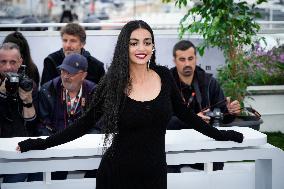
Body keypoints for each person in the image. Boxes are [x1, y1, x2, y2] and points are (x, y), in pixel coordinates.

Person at [17, 20, 243, 189]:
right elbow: (83, 124)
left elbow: (186, 114)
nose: (141, 48)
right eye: (134, 43)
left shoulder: (164, 76)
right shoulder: (112, 83)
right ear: (125, 46)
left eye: (146, 42)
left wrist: (222, 135)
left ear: (153, 46)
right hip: (117, 175)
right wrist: (40, 143)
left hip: (155, 175)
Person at [167, 40, 241, 171]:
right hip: (173, 146)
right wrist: (192, 120)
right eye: (182, 59)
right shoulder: (165, 84)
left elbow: (223, 117)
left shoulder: (209, 83)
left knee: (216, 170)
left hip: (205, 143)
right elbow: (162, 120)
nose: (187, 64)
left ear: (196, 58)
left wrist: (230, 112)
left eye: (190, 58)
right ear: (174, 61)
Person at [38, 53, 98, 180]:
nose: (65, 76)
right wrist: (58, 145)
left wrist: (81, 144)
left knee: (99, 171)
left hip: (85, 150)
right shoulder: (47, 90)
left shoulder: (95, 92)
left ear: (84, 75)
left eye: (71, 73)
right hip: (56, 150)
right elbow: (43, 124)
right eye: (63, 71)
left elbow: (98, 126)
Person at [0, 42, 41, 183]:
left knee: (36, 173)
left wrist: (27, 101)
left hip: (19, 148)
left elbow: (32, 126)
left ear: (20, 63)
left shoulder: (28, 85)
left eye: (13, 62)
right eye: (3, 62)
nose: (8, 67)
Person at [40, 23, 105, 86]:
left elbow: (101, 94)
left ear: (82, 44)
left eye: (73, 41)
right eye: (65, 40)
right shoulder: (51, 61)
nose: (68, 45)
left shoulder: (96, 66)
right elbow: (45, 92)